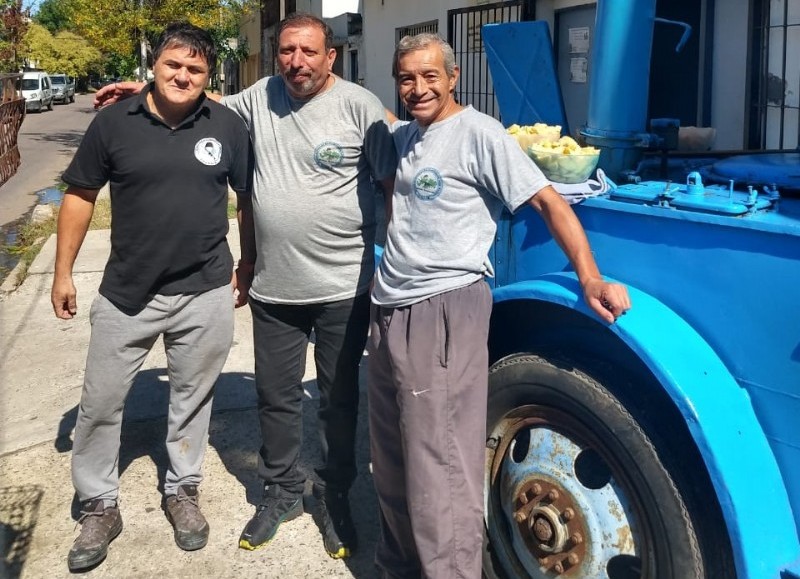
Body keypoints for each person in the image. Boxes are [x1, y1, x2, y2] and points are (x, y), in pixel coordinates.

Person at [95, 11, 397, 559]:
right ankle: (280, 492)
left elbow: (393, 180)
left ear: (331, 56)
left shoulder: (359, 106)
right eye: (286, 51)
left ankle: (332, 495)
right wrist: (145, 86)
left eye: (308, 52)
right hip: (276, 290)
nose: (296, 62)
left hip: (343, 286)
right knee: (275, 398)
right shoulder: (259, 96)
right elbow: (191, 96)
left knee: (338, 400)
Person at [368, 33, 632, 579]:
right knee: (392, 458)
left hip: (443, 310)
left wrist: (589, 276)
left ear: (454, 76)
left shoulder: (479, 134)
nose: (418, 87)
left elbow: (547, 201)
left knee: (439, 464)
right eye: (407, 78)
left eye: (429, 76)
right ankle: (398, 565)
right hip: (390, 305)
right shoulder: (407, 135)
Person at [51, 22, 254, 572]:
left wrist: (248, 259)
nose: (182, 76)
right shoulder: (114, 122)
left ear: (207, 77)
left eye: (195, 69)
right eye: (173, 65)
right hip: (127, 294)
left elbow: (248, 200)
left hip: (206, 289)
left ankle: (182, 490)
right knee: (100, 402)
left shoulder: (227, 125)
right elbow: (80, 196)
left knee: (192, 399)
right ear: (154, 67)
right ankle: (99, 502)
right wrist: (62, 273)